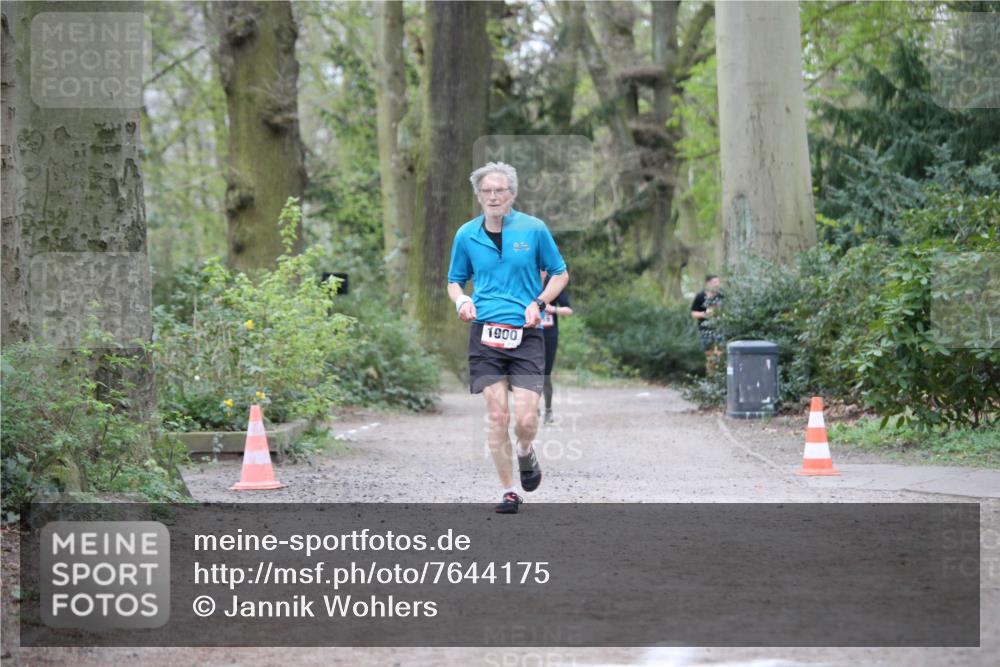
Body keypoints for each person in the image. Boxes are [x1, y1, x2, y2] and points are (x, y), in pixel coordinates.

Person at [447, 162, 569, 514]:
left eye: (499, 190)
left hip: (526, 335)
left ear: (512, 194)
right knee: (498, 415)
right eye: (486, 191)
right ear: (478, 196)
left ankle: (525, 451)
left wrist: (539, 303)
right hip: (485, 334)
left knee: (526, 420)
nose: (493, 196)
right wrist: (462, 300)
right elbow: (455, 281)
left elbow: (560, 274)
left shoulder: (534, 229)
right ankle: (509, 491)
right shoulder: (466, 235)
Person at [540, 270, 573, 424]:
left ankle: (548, 410)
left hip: (549, 334)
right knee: (530, 371)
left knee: (545, 373)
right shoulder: (527, 277)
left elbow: (568, 310)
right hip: (529, 333)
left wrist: (552, 309)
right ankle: (531, 407)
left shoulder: (553, 283)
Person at [691, 275, 724, 373]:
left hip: (720, 328)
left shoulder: (721, 296)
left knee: (720, 353)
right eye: (715, 282)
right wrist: (704, 314)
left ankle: (720, 375)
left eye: (718, 282)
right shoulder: (700, 296)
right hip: (705, 330)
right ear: (708, 283)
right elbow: (693, 313)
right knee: (709, 356)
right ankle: (710, 376)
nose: (717, 284)